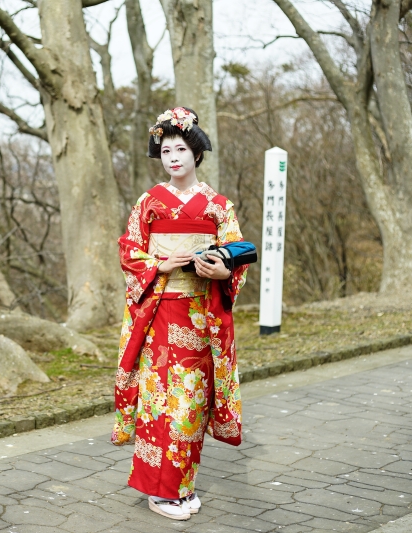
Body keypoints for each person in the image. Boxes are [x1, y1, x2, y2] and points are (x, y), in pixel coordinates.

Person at [112, 107, 248, 520]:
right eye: (166, 149)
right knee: (159, 403)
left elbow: (237, 255)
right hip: (159, 315)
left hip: (200, 314)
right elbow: (129, 250)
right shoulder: (149, 202)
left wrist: (222, 270)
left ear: (197, 154)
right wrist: (160, 266)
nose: (173, 157)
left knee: (190, 403)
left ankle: (180, 486)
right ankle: (161, 492)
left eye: (181, 149)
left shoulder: (218, 206)